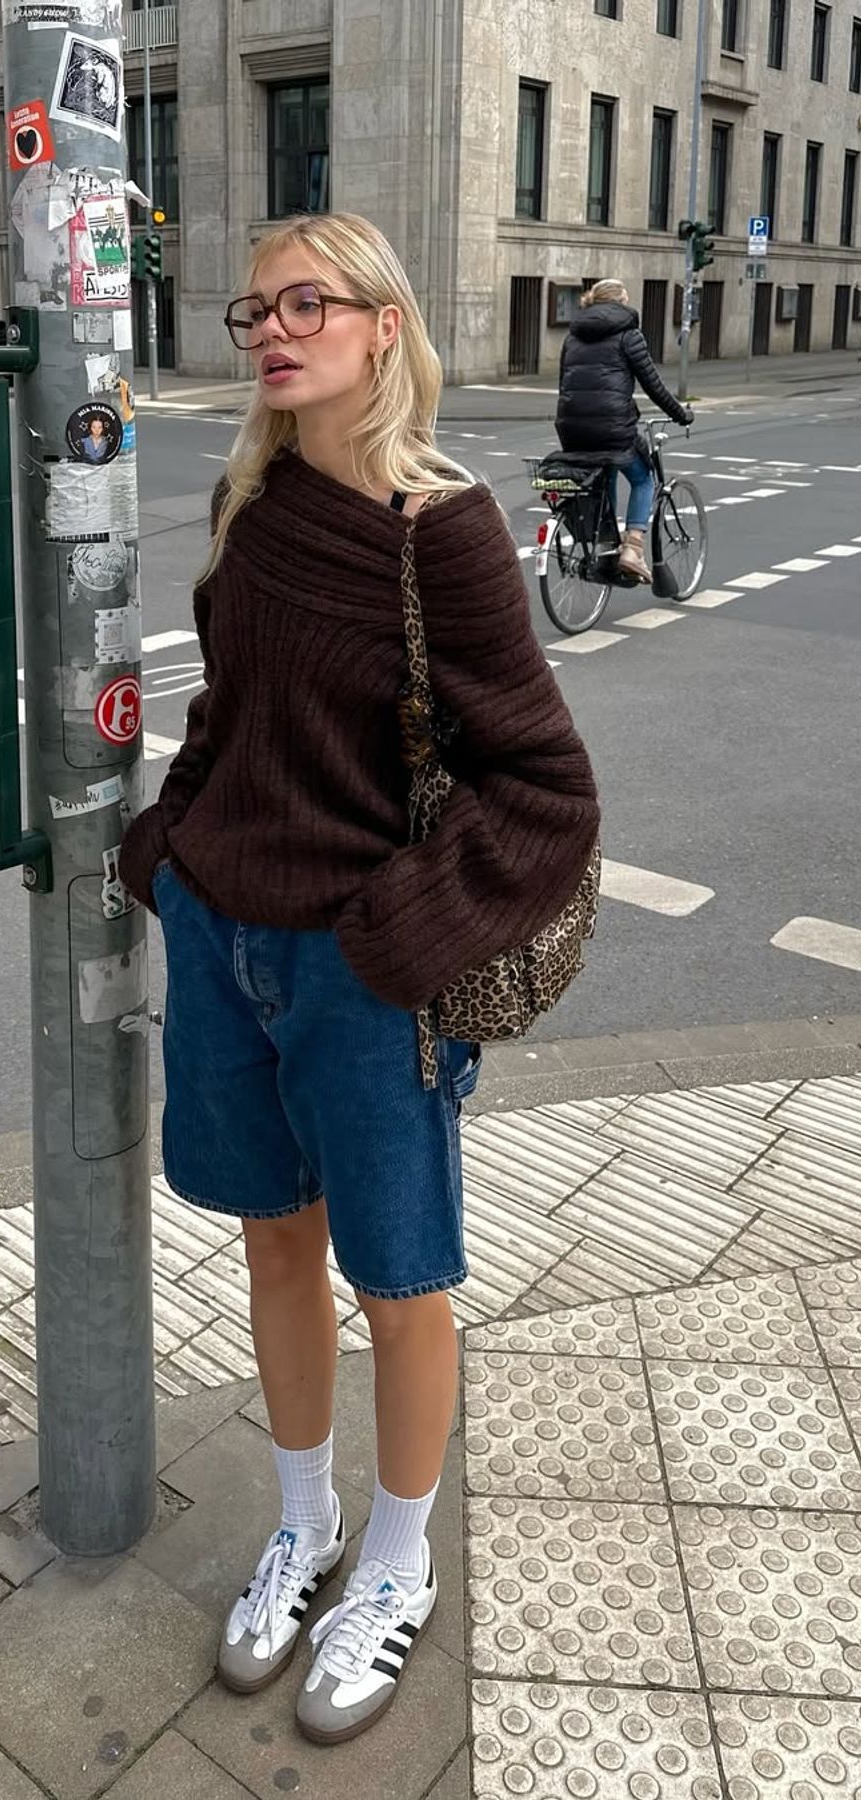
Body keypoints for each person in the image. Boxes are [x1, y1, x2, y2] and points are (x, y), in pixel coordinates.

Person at [119, 213, 599, 1745]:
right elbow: (228, 715)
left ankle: (400, 1564)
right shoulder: (252, 506)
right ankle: (305, 1524)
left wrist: (401, 938)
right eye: (254, 307)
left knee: (398, 1283)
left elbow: (543, 784)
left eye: (305, 303)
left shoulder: (434, 530)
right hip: (224, 942)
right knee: (272, 1253)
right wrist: (173, 851)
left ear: (383, 326)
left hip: (361, 974)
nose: (270, 330)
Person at [555, 278, 692, 582]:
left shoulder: (572, 337)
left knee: (605, 472)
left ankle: (605, 548)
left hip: (571, 426)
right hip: (613, 428)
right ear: (620, 302)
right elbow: (653, 385)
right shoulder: (629, 335)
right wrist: (681, 414)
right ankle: (633, 548)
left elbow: (565, 384)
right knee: (643, 479)